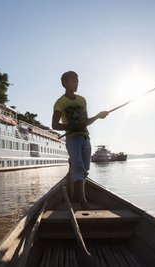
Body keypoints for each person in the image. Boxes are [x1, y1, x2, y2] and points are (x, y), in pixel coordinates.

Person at [52, 71, 108, 209]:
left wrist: (98, 116)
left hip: (85, 137)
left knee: (85, 169)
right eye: (73, 81)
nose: (76, 83)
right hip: (73, 139)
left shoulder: (82, 100)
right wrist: (71, 126)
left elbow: (85, 122)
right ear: (64, 83)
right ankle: (82, 201)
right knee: (78, 166)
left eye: (77, 81)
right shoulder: (60, 102)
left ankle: (78, 196)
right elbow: (54, 125)